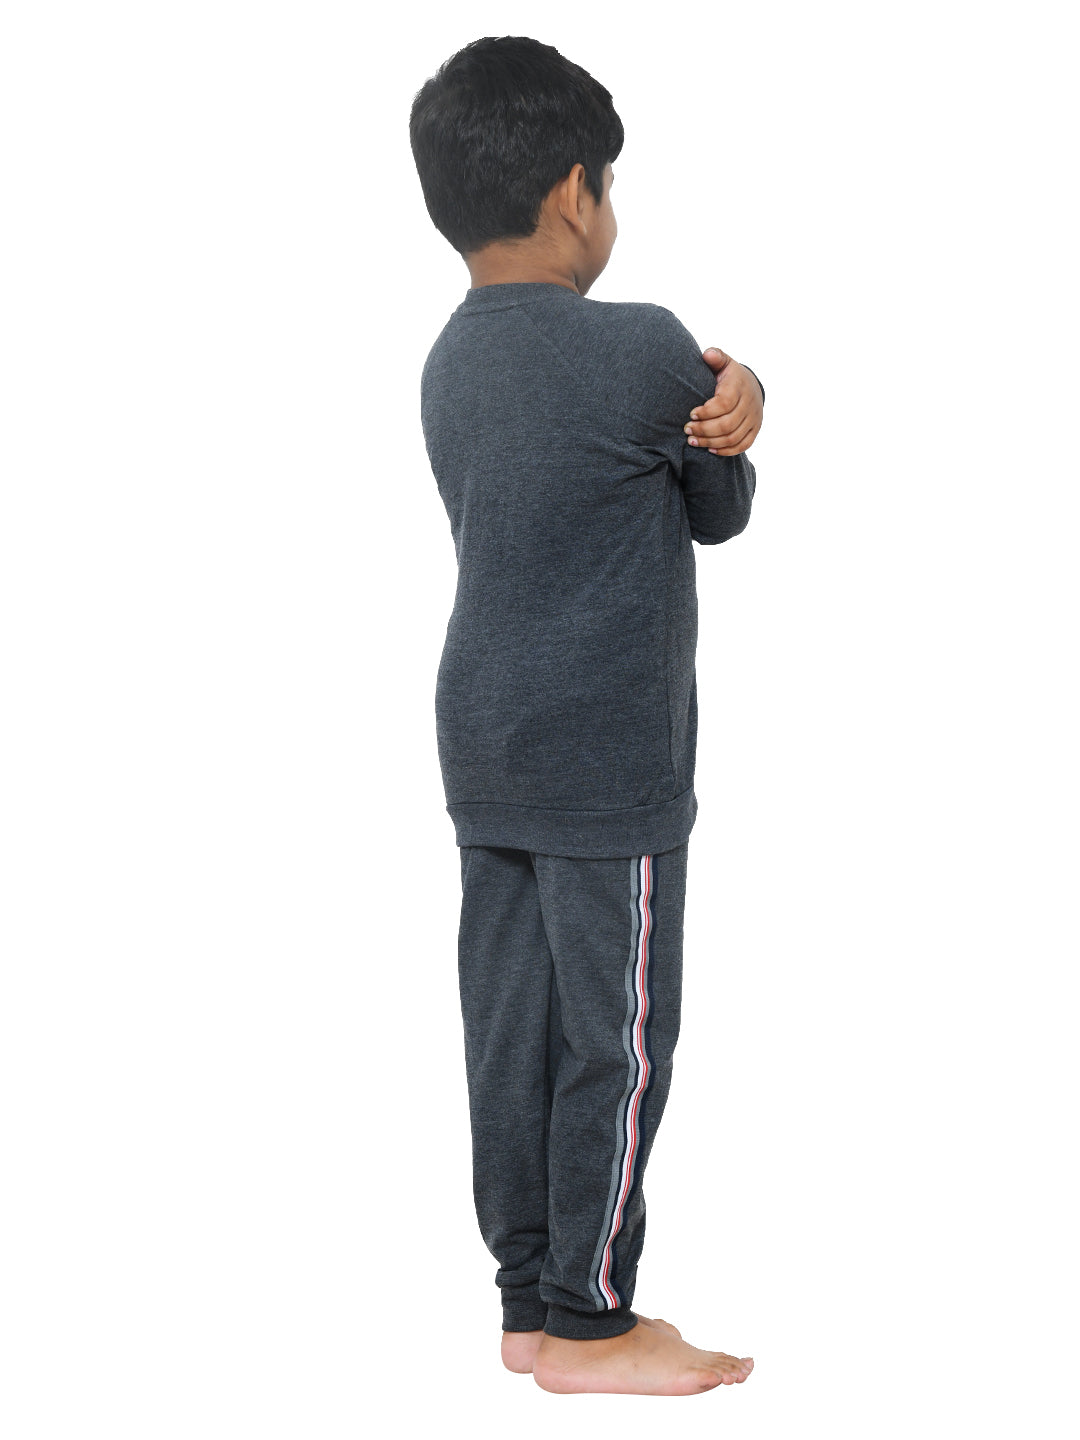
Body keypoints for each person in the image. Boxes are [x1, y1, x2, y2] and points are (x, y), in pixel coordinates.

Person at [409, 36, 763, 1397]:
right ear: (575, 192)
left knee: (510, 1032)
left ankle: (527, 1306)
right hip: (609, 771)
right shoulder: (643, 346)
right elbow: (719, 509)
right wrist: (746, 395)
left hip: (486, 749)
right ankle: (593, 1322)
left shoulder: (448, 361)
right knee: (615, 1039)